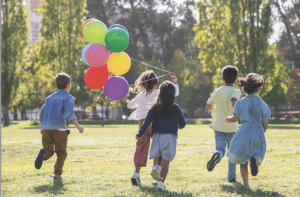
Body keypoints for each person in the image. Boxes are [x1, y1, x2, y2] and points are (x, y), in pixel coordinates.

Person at [128, 70, 179, 186]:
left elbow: (129, 105)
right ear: (155, 83)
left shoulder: (140, 95)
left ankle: (136, 173)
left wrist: (140, 103)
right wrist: (174, 81)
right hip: (155, 123)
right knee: (158, 145)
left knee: (141, 148)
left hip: (142, 124)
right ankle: (155, 167)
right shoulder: (158, 93)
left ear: (143, 83)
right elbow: (174, 93)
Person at [136, 80, 186, 191]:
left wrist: (140, 134)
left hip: (157, 137)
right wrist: (177, 126)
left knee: (159, 156)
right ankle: (160, 183)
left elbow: (146, 122)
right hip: (170, 137)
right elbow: (183, 123)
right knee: (166, 162)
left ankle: (156, 167)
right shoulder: (176, 108)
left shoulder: (154, 108)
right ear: (173, 94)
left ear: (160, 93)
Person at [35, 72, 84, 181]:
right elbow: (71, 115)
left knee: (49, 151)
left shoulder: (49, 98)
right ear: (68, 85)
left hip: (46, 129)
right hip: (59, 129)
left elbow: (41, 114)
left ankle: (44, 154)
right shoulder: (68, 97)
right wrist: (79, 127)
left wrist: (42, 128)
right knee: (61, 153)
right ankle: (57, 175)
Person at [226, 73, 270, 189]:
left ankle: (246, 186)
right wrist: (261, 132)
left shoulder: (240, 102)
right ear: (259, 88)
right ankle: (255, 163)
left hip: (244, 131)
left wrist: (228, 118)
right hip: (258, 131)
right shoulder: (263, 105)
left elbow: (235, 118)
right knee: (258, 154)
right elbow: (265, 124)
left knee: (242, 159)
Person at [205, 65, 241, 182]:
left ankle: (217, 155)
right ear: (236, 79)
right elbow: (234, 102)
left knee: (220, 149)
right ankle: (231, 177)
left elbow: (208, 107)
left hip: (218, 126)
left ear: (222, 78)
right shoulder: (236, 91)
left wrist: (215, 107)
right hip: (231, 126)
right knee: (232, 152)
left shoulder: (217, 91)